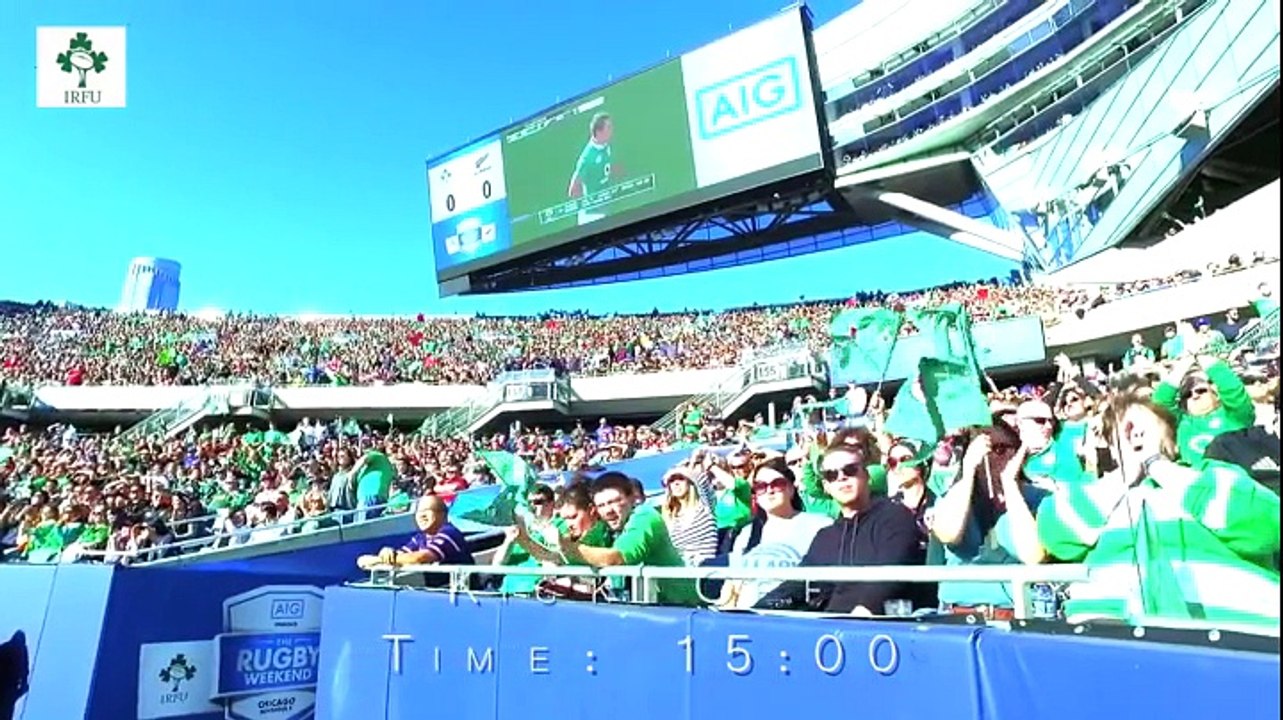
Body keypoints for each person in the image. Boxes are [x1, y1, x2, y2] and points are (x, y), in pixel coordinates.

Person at [1037, 393, 1280, 627]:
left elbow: (1267, 527)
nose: (1136, 434)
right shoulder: (1090, 494)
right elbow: (1056, 535)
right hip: (1111, 636)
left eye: (1145, 426)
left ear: (1174, 442)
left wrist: (1159, 467)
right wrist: (1124, 476)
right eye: (1126, 430)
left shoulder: (1215, 476)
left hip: (1232, 631)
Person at [756, 439, 926, 615]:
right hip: (830, 624)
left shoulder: (895, 517)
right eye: (831, 475)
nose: (841, 477)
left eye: (850, 470)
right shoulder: (826, 536)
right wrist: (756, 611)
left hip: (876, 625)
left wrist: (862, 612)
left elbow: (891, 575)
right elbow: (797, 585)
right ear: (826, 487)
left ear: (866, 476)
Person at [551, 472, 700, 606]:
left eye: (615, 501)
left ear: (632, 498)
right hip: (643, 608)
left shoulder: (645, 516)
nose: (608, 510)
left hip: (683, 609)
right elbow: (572, 558)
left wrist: (568, 547)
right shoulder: (607, 527)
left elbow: (616, 558)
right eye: (601, 505)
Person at [1152, 354, 1255, 466]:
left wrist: (1199, 356)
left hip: (1235, 473)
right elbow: (1159, 403)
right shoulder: (1181, 423)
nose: (1195, 396)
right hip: (1195, 475)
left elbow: (1233, 389)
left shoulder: (1234, 416)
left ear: (1216, 395)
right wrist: (1182, 367)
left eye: (1201, 391)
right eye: (1187, 395)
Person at [356, 496, 474, 586]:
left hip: (464, 594)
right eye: (419, 512)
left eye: (428, 511)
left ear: (443, 515)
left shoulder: (449, 533)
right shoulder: (420, 538)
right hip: (439, 593)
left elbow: (420, 558)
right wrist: (388, 552)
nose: (422, 516)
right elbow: (402, 555)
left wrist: (381, 560)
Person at [568, 112, 617, 225]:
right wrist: (590, 201)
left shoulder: (606, 146)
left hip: (604, 206)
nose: (612, 130)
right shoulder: (587, 157)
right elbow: (573, 190)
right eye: (608, 127)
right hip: (592, 215)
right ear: (599, 132)